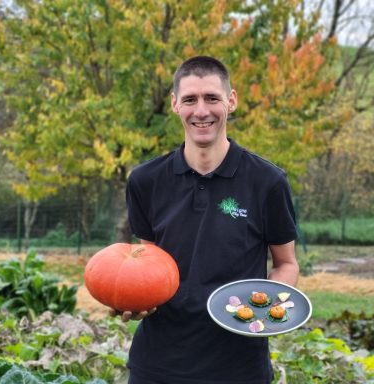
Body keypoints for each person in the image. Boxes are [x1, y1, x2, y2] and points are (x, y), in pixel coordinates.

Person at [120, 56, 299, 384]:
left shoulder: (268, 181)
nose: (201, 111)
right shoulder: (145, 181)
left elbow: (286, 263)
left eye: (212, 98)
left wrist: (270, 307)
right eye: (189, 99)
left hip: (239, 368)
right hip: (157, 366)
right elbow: (152, 265)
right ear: (175, 105)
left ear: (231, 101)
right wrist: (136, 298)